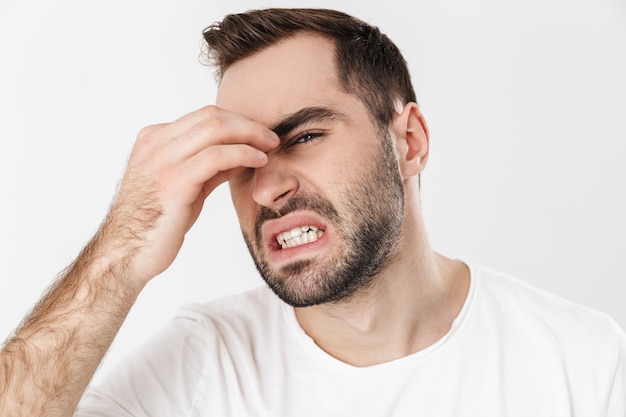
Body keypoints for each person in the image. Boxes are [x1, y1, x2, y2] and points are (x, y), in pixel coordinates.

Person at [1, 7, 624, 416]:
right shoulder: (205, 366)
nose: (266, 188)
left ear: (409, 141)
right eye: (240, 159)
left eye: (304, 137)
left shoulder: (589, 367)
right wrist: (120, 252)